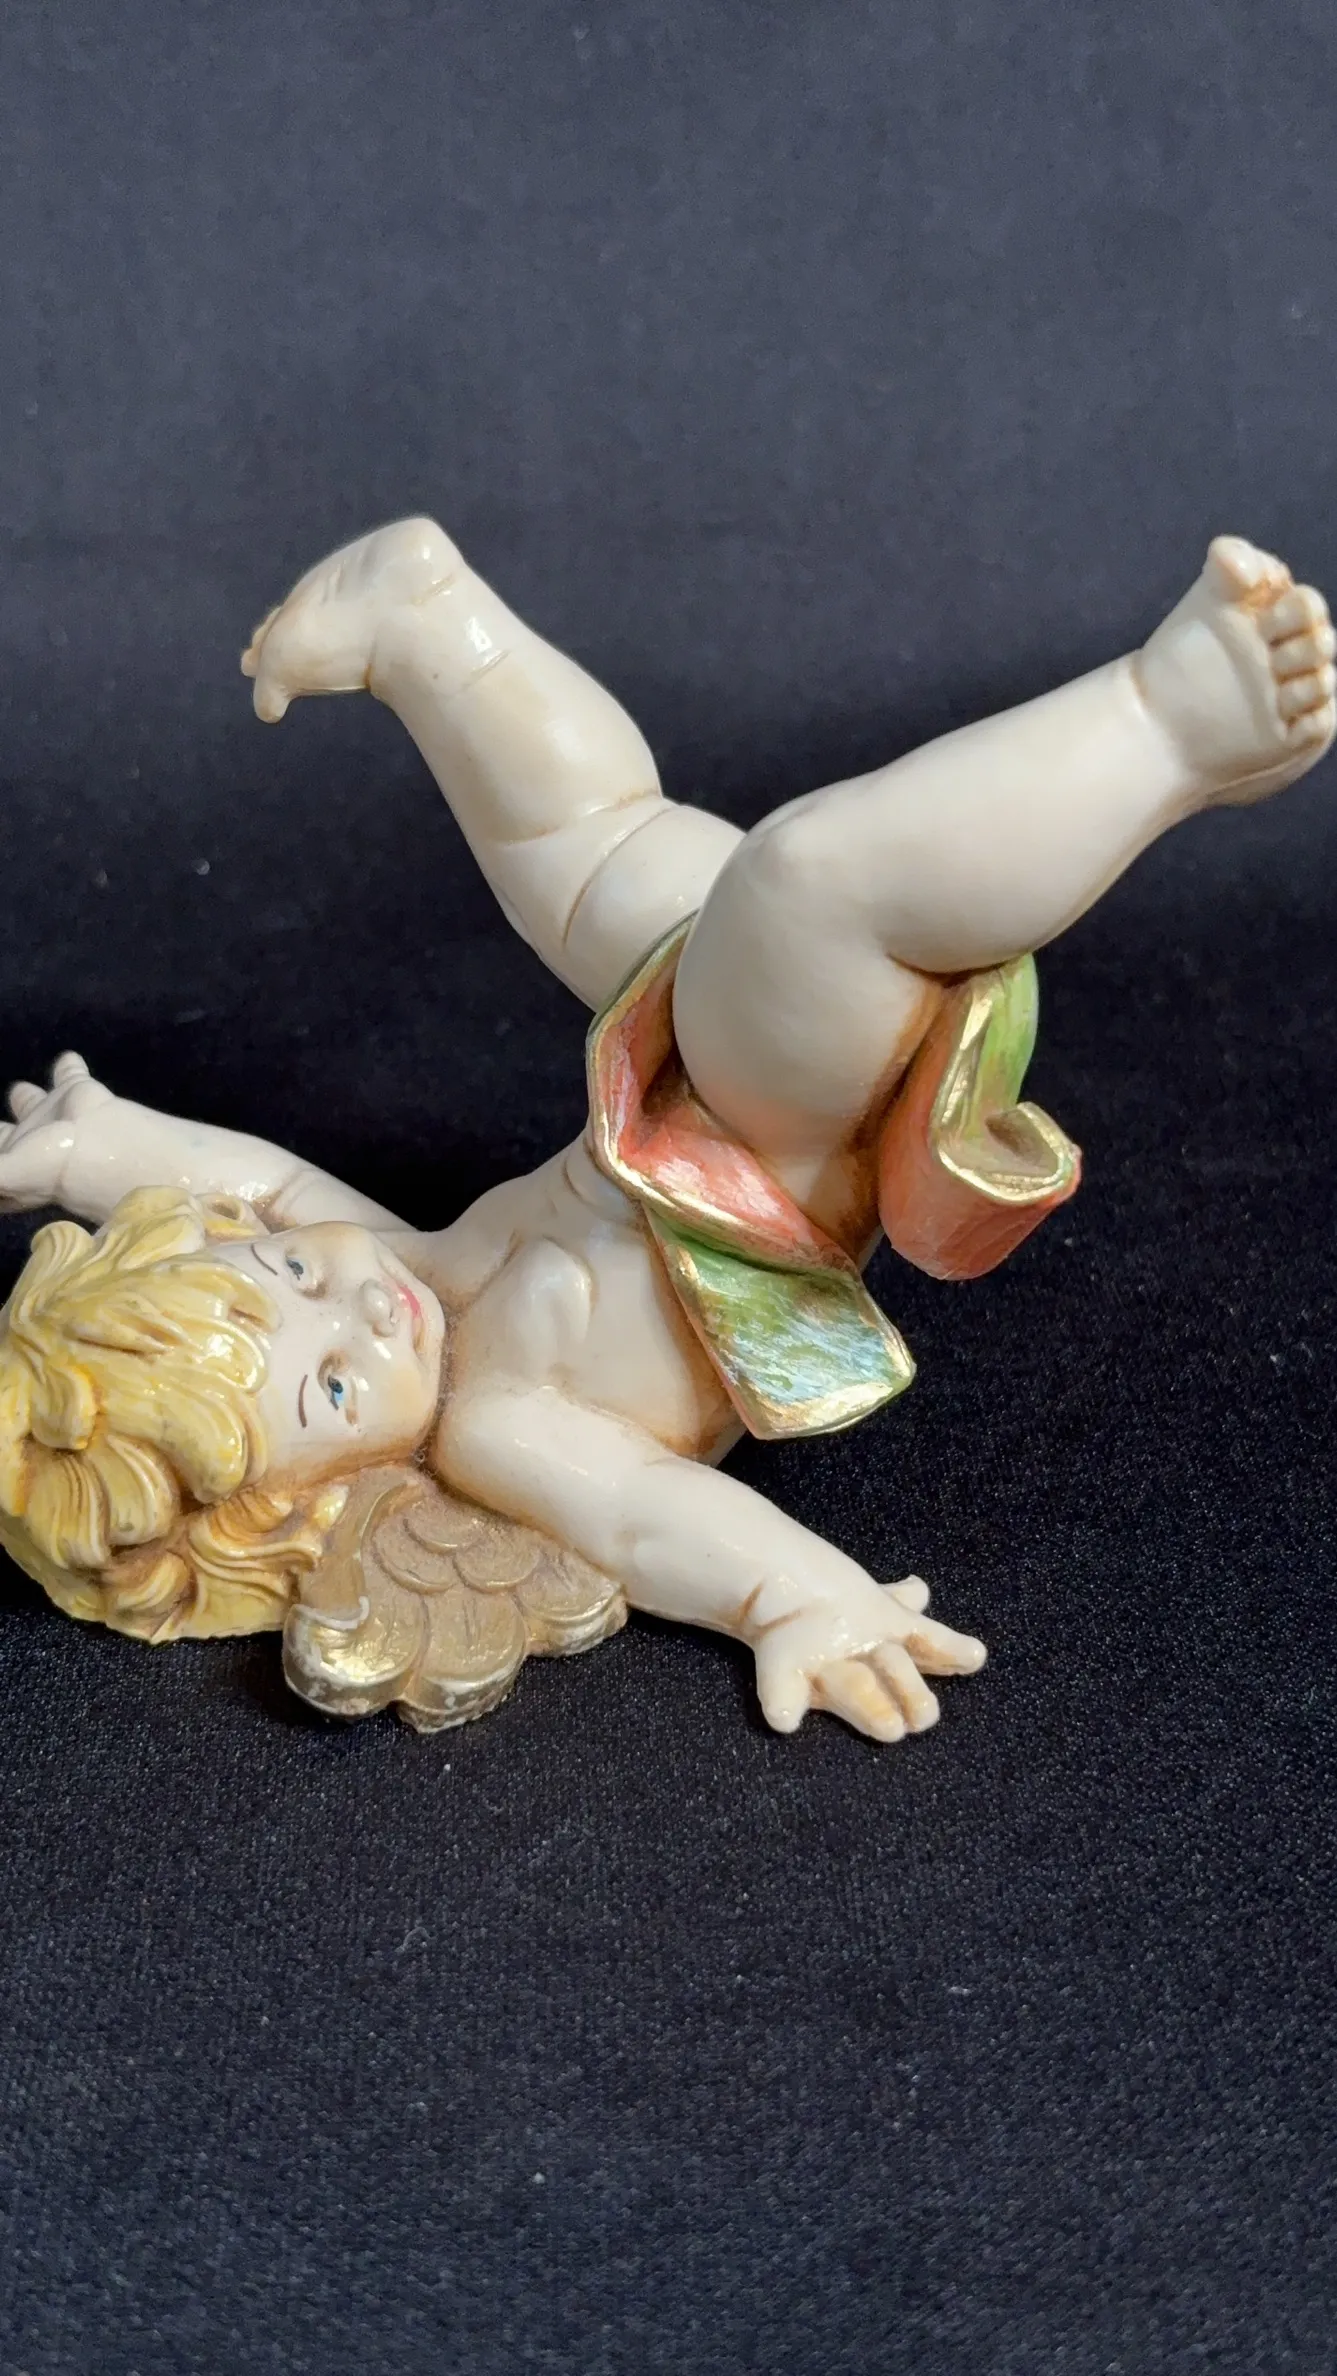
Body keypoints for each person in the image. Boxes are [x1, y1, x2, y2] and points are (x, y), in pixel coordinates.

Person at [0, 520, 1330, 1743]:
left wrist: (99, 1149)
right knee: (804, 881)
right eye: (335, 1386)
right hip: (761, 1158)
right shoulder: (491, 1425)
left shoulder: (404, 1271)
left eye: (292, 1275)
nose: (359, 1305)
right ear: (313, 1499)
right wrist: (796, 1597)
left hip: (671, 1059)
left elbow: (269, 1183)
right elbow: (644, 1517)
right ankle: (1173, 718)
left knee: (589, 845)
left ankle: (431, 620)